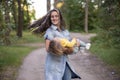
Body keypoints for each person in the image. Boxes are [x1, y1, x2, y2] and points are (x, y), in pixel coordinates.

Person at [28, 9, 81, 80]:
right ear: (50, 19)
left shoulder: (65, 32)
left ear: (60, 17)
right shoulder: (49, 31)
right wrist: (63, 49)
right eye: (52, 17)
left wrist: (75, 45)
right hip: (54, 66)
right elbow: (47, 48)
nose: (54, 18)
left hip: (65, 64)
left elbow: (71, 48)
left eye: (56, 16)